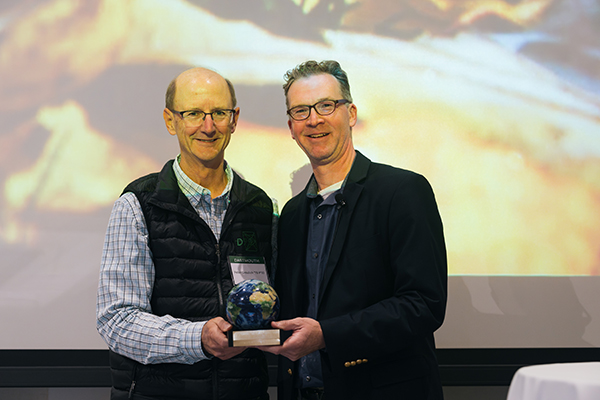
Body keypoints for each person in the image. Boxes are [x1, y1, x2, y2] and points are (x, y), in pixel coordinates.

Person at [261, 60, 447, 400]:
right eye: (301, 111)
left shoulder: (402, 191)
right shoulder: (292, 214)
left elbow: (424, 303)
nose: (314, 119)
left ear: (351, 113)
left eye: (326, 106)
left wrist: (327, 334)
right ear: (290, 126)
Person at [96, 67, 274, 400]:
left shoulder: (260, 206)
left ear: (234, 120)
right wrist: (197, 338)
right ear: (170, 120)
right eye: (193, 114)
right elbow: (116, 320)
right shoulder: (138, 204)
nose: (208, 127)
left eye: (219, 113)